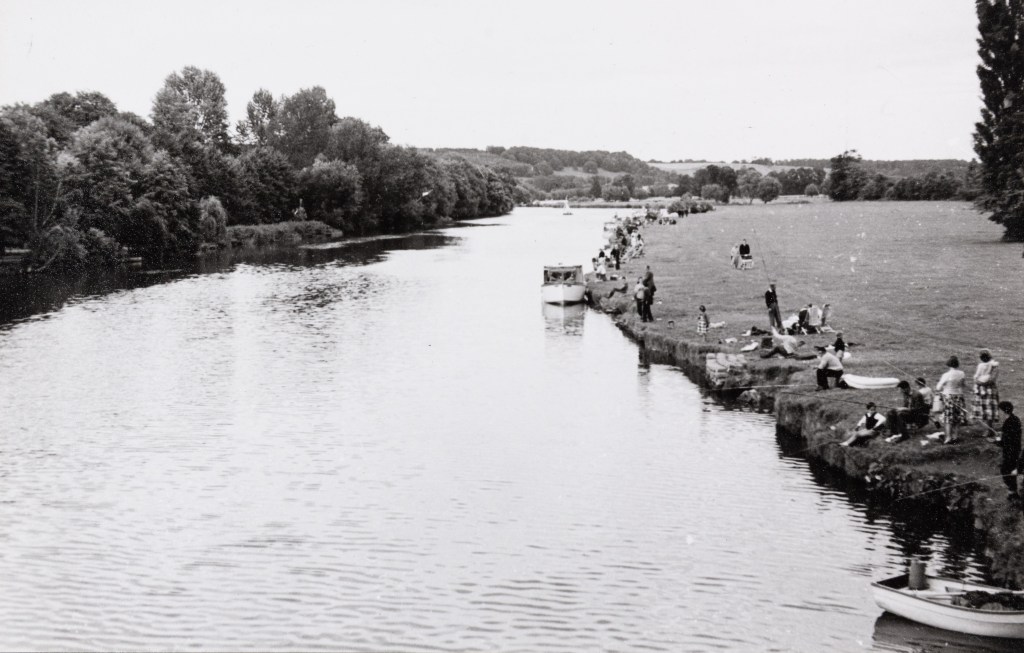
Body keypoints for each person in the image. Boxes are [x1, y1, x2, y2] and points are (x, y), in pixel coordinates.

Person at [936, 355, 967, 444]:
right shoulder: (962, 373)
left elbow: (938, 387)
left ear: (948, 364)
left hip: (948, 397)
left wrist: (942, 388)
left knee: (948, 418)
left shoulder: (946, 375)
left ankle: (948, 437)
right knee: (957, 417)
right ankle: (955, 436)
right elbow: (962, 385)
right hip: (958, 396)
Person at [997, 402, 1022, 500]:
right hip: (1015, 450)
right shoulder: (1015, 419)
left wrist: (998, 441)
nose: (998, 413)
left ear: (1004, 411)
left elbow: (1006, 441)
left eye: (999, 411)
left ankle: (1013, 493)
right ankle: (1012, 492)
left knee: (1006, 471)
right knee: (1010, 471)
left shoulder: (1008, 423)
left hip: (1010, 452)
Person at [973, 349, 1001, 429]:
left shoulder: (994, 366)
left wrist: (979, 382)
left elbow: (992, 379)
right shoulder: (984, 365)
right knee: (985, 408)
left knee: (988, 407)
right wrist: (978, 381)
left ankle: (989, 428)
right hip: (984, 388)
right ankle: (987, 427)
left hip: (988, 389)